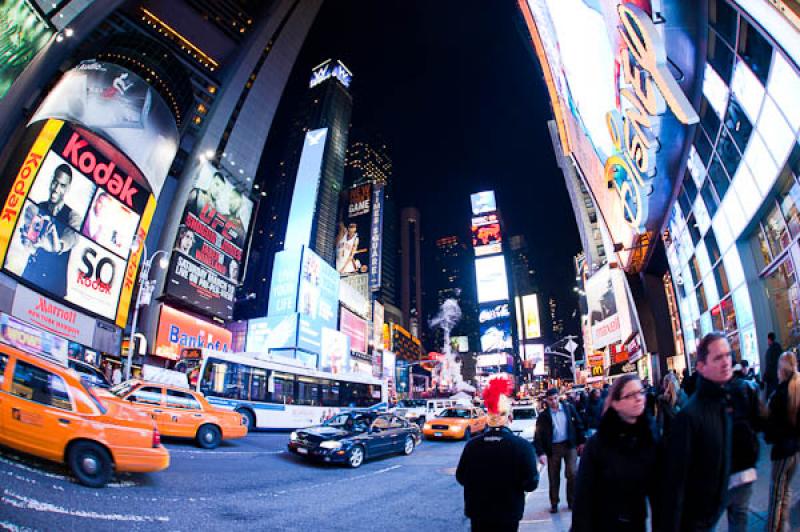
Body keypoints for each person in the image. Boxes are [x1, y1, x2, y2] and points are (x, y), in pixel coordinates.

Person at [661, 331, 734, 531]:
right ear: (701, 367)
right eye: (718, 357)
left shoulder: (725, 402)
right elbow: (674, 486)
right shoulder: (690, 416)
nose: (726, 362)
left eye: (728, 355)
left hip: (710, 517)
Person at [572, 374, 659, 531]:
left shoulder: (650, 438)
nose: (639, 398)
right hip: (603, 524)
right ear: (616, 404)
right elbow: (583, 498)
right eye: (630, 395)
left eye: (641, 392)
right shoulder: (598, 445)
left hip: (636, 524)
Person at [456, 376, 539, 532]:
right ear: (510, 418)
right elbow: (531, 484)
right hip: (509, 514)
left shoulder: (472, 446)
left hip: (479, 514)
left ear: (488, 419)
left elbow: (461, 477)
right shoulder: (523, 446)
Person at [19, 164, 81, 298]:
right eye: (55, 182)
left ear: (68, 189)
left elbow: (70, 239)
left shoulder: (73, 217)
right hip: (30, 278)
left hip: (54, 291)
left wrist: (57, 244)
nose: (56, 189)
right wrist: (30, 243)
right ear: (51, 180)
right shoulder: (35, 208)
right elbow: (28, 245)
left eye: (62, 186)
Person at [725, 353, 765, 531]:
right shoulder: (748, 386)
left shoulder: (722, 391)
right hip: (746, 460)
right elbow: (759, 421)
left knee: (735, 512)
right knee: (739, 514)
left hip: (732, 462)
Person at [533, 388, 586, 513]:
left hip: (569, 445)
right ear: (547, 400)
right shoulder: (544, 415)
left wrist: (582, 441)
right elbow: (538, 435)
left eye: (555, 398)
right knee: (553, 476)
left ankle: (572, 502)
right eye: (550, 399)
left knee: (572, 473)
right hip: (553, 448)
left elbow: (578, 424)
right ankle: (554, 503)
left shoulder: (568, 409)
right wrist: (541, 453)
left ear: (559, 397)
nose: (553, 402)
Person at [765, 352, 800, 532]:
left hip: (781, 451)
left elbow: (770, 430)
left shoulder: (778, 395)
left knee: (776, 494)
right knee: (785, 490)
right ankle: (783, 525)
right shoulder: (797, 389)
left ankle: (773, 528)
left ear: (781, 370)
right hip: (794, 450)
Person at [656, 373, 688, 438]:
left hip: (669, 435)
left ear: (665, 386)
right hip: (684, 434)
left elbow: (660, 421)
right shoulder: (684, 395)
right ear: (677, 383)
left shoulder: (662, 400)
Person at [765, 333, 783, 397]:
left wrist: (764, 378)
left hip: (772, 379)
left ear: (769, 339)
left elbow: (769, 366)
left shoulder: (769, 351)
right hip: (780, 377)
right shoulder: (779, 348)